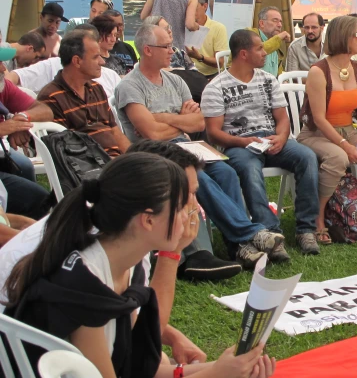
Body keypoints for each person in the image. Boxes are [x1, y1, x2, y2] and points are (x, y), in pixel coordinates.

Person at [2, 153, 276, 378]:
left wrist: (228, 368)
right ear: (147, 220)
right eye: (183, 205)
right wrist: (214, 374)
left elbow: (138, 367)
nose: (192, 213)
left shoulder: (124, 263)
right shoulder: (85, 284)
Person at [116, 24, 292, 264]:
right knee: (199, 178)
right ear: (147, 50)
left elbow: (199, 121)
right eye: (166, 46)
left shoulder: (174, 81)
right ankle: (249, 236)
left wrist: (164, 118)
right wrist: (181, 120)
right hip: (153, 153)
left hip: (187, 146)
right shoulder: (130, 86)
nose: (172, 51)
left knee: (226, 172)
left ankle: (238, 247)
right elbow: (151, 133)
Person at [203, 29, 322, 255]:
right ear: (244, 54)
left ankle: (306, 229)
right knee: (249, 169)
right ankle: (270, 232)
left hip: (271, 136)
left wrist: (281, 137)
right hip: (238, 143)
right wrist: (242, 141)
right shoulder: (216, 87)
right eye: (260, 48)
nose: (265, 52)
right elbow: (213, 134)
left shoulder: (268, 80)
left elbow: (282, 118)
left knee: (307, 157)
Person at [297, 16, 357, 244]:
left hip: (347, 131)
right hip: (316, 134)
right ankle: (318, 218)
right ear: (343, 37)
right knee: (339, 157)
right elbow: (320, 119)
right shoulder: (318, 71)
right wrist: (345, 145)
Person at [38, 29, 129, 158]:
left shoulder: (96, 88)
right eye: (95, 57)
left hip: (115, 163)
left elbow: (115, 131)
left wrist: (133, 158)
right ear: (77, 61)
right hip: (89, 169)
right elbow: (65, 150)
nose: (102, 62)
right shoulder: (52, 97)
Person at [0, 53, 53, 219]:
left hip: (3, 155)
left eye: (2, 62)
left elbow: (45, 110)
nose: (4, 68)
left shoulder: (4, 86)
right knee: (38, 198)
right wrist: (4, 128)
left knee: (24, 167)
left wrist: (20, 119)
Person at [7, 24, 122, 97]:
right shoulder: (53, 66)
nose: (102, 62)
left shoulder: (110, 77)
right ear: (76, 59)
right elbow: (13, 77)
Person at [185, 0, 230, 78]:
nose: (189, 11)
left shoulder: (218, 28)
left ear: (205, 6)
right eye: (187, 7)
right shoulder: (182, 26)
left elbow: (220, 62)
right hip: (186, 74)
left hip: (209, 76)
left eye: (194, 7)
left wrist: (200, 57)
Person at [249, 6, 292, 76]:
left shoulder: (276, 45)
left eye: (280, 22)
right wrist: (278, 38)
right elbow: (254, 53)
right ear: (262, 23)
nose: (280, 25)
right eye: (275, 20)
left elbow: (278, 73)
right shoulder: (250, 34)